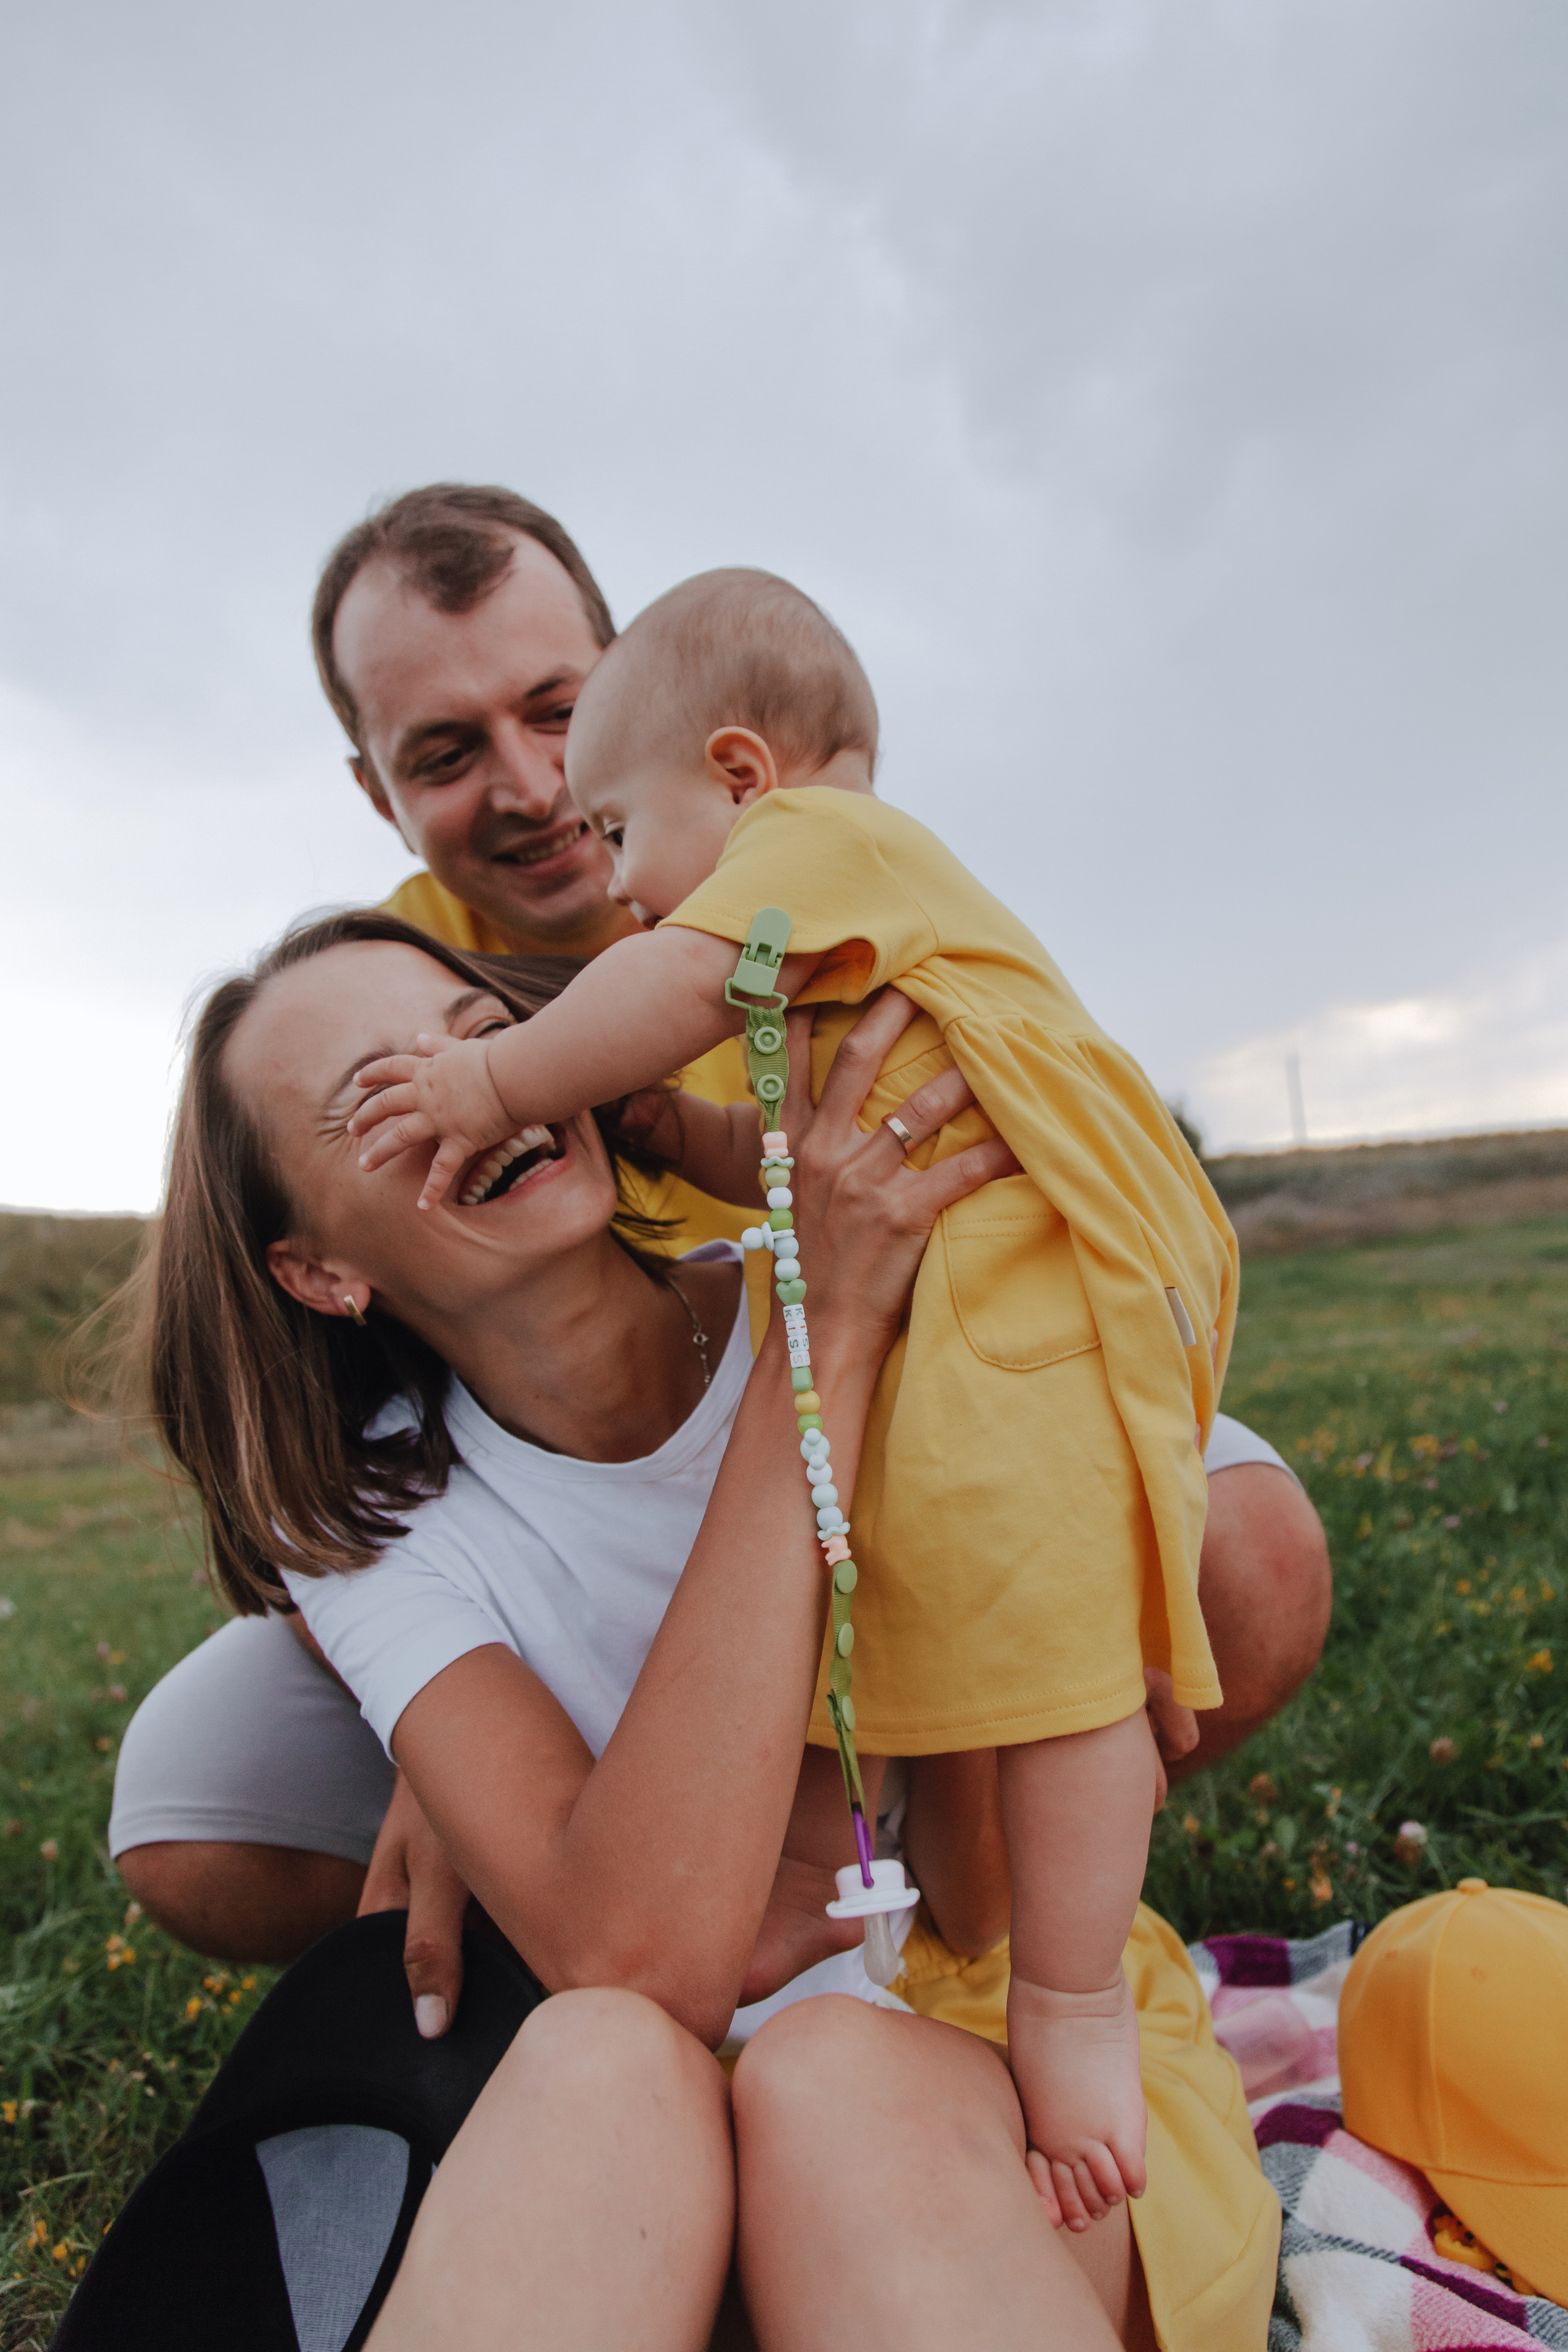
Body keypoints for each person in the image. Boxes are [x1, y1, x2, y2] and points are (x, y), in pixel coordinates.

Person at [111, 483, 1329, 1971]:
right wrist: (433, 1734)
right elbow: (293, 1417)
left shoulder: (783, 858)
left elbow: (963, 1145)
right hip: (570, 1481)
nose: (532, 786)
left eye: (557, 711)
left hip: (888, 1345)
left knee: (1246, 1553)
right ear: (377, 791)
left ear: (637, 685)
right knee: (192, 1799)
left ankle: (959, 1862)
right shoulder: (376, 979)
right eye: (443, 752)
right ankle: (580, 1873)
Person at [105, 911, 1278, 2348]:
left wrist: (836, 1319)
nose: (468, 1089)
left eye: (484, 1040)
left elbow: (977, 1901)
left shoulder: (888, 1283)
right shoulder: (373, 1522)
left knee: (829, 2067)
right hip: (650, 2187)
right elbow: (646, 1955)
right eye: (377, 1103)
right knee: (604, 2048)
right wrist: (824, 1343)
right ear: (318, 1274)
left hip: (989, 2115)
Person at [344, 565, 1237, 2218]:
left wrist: (488, 1075)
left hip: (998, 1318)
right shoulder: (816, 924)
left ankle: (1065, 1990)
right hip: (960, 1318)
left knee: (1066, 1673)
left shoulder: (814, 848)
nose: (613, 883)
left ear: (744, 777)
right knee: (1015, 1656)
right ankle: (915, 1952)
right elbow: (782, 1145)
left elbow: (670, 994)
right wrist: (658, 1130)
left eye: (619, 829)